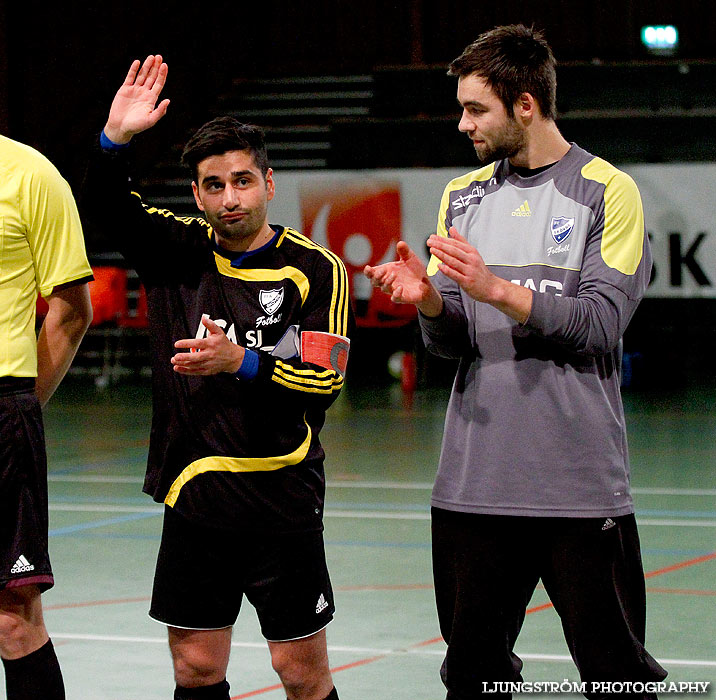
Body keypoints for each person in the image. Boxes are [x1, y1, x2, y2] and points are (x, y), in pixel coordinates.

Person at [365, 24, 667, 700]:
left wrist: (496, 289)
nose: (462, 123)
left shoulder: (606, 191)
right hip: (473, 488)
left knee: (617, 677)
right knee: (473, 677)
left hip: (579, 489)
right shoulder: (461, 197)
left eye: (477, 109)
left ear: (525, 104)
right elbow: (451, 346)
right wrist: (431, 305)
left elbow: (599, 325)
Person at [80, 55, 352, 700]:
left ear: (269, 184)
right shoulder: (176, 250)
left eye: (242, 181)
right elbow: (104, 207)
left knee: (300, 671)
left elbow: (325, 383)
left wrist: (242, 361)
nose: (231, 198)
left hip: (281, 494)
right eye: (214, 185)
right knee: (197, 669)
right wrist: (114, 140)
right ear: (198, 195)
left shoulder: (316, 269)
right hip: (196, 493)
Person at [0, 134, 93, 699]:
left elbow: (71, 311)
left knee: (12, 617)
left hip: (2, 409)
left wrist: (22, 407)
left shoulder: (32, 174)